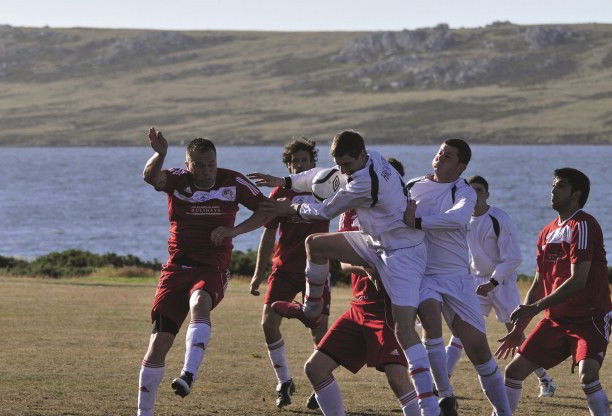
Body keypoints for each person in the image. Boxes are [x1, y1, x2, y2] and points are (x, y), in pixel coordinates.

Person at [249, 130, 440, 416]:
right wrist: (286, 181)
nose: (343, 171)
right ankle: (312, 309)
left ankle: (430, 409)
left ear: (361, 156)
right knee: (315, 244)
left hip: (401, 255)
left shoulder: (363, 184)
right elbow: (324, 176)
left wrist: (288, 207)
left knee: (403, 339)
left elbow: (324, 211)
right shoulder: (371, 157)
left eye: (347, 165)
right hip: (376, 246)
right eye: (340, 164)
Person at [136, 127, 269, 416]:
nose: (207, 171)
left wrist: (234, 230)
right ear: (188, 164)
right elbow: (150, 177)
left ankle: (187, 374)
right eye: (199, 165)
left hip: (212, 265)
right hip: (176, 267)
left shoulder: (232, 181)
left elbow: (266, 210)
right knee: (157, 344)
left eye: (211, 164)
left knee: (200, 302)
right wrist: (159, 154)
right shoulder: (177, 180)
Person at [304, 157, 420, 416]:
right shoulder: (349, 209)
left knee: (397, 378)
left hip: (390, 309)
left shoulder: (406, 212)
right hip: (359, 306)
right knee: (315, 368)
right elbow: (344, 264)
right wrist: (368, 265)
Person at [405, 140, 511, 416]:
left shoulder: (463, 191)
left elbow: (457, 219)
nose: (441, 156)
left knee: (479, 352)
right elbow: (393, 215)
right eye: (440, 152)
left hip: (457, 279)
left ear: (461, 166)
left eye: (448, 155)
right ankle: (445, 395)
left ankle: (503, 412)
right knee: (429, 317)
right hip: (424, 274)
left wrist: (417, 222)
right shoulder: (413, 186)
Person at [498, 168, 611, 416]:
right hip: (556, 321)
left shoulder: (583, 225)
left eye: (560, 186)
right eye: (553, 185)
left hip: (589, 318)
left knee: (587, 376)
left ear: (576, 193)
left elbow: (578, 280)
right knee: (513, 372)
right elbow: (538, 284)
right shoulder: (546, 233)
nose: (552, 190)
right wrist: (518, 329)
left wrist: (535, 308)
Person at [445, 175, 557, 398]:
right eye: (471, 191)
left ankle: (545, 379)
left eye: (479, 190)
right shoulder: (462, 218)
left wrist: (493, 282)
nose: (474, 195)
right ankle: (442, 383)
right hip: (476, 283)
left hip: (502, 283)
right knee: (460, 330)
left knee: (513, 333)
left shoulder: (498, 218)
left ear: (487, 194)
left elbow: (513, 258)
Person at [248, 138, 331, 409]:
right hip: (284, 269)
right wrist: (259, 271)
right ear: (288, 166)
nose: (299, 165)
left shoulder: (324, 190)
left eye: (304, 161)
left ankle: (321, 389)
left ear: (312, 165)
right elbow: (268, 234)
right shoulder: (279, 195)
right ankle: (284, 381)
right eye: (295, 162)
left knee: (320, 332)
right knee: (268, 323)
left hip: (316, 270)